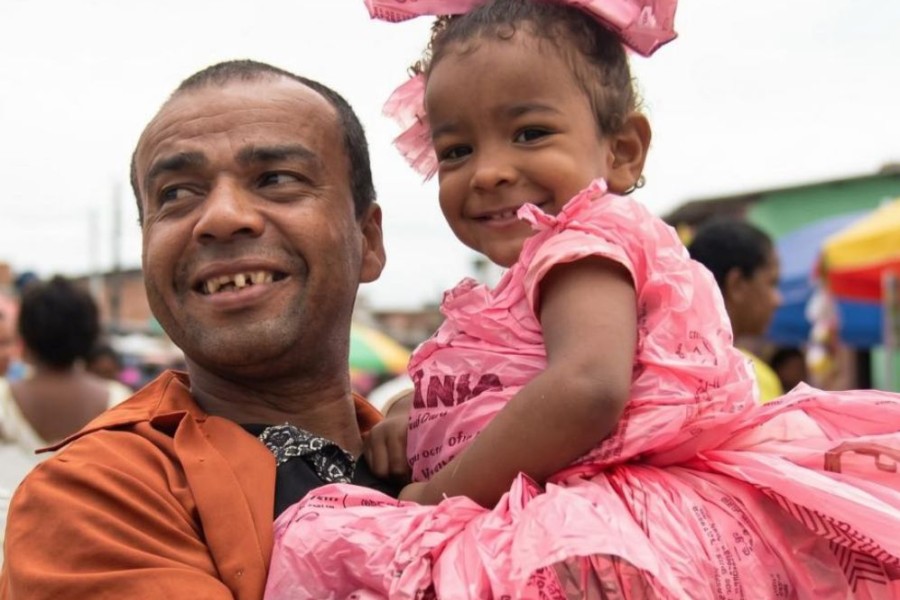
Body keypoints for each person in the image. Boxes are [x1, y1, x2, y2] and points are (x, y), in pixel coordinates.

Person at [265, 1, 900, 598]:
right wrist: (417, 414)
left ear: (622, 151)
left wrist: (442, 492)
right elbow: (517, 385)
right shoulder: (538, 275)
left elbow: (585, 387)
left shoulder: (584, 245)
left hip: (603, 527)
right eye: (456, 150)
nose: (487, 171)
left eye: (530, 132)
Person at [0, 60, 393, 599]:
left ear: (368, 241)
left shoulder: (459, 449)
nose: (223, 216)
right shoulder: (99, 495)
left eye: (276, 179)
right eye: (177, 194)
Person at [0, 276, 133, 560]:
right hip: (89, 559)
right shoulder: (121, 402)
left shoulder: (4, 398)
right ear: (90, 333)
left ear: (26, 335)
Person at [687, 218, 785, 403]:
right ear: (737, 285)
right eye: (771, 283)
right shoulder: (752, 377)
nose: (778, 300)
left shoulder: (664, 368)